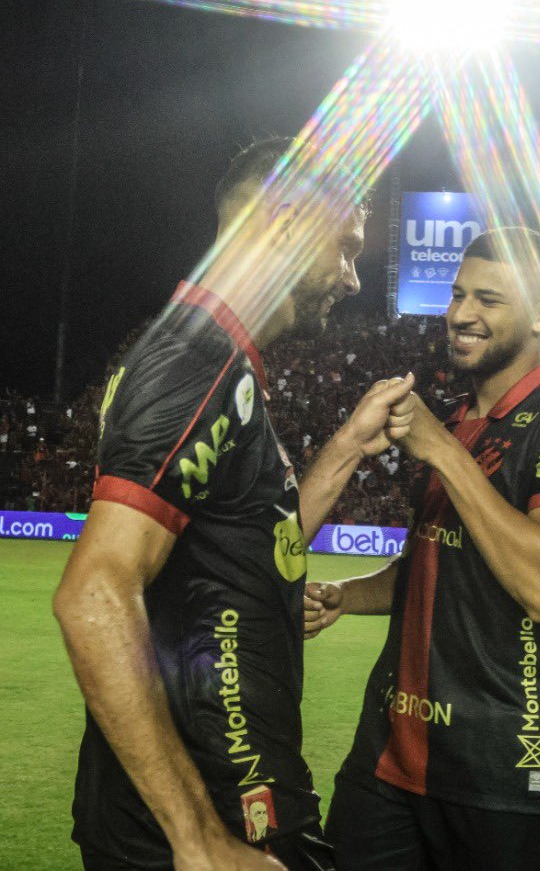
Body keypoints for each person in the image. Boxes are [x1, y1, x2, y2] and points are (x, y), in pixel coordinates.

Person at [54, 138, 414, 870]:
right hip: (217, 807)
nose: (350, 279)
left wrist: (344, 447)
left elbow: (252, 541)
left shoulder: (220, 359)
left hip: (242, 789)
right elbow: (92, 593)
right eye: (344, 250)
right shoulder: (192, 361)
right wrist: (199, 842)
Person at [305, 227, 540, 870]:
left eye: (488, 299)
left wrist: (444, 453)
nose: (460, 315)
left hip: (503, 769)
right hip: (388, 757)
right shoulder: (449, 419)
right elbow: (433, 562)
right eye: (457, 296)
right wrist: (345, 595)